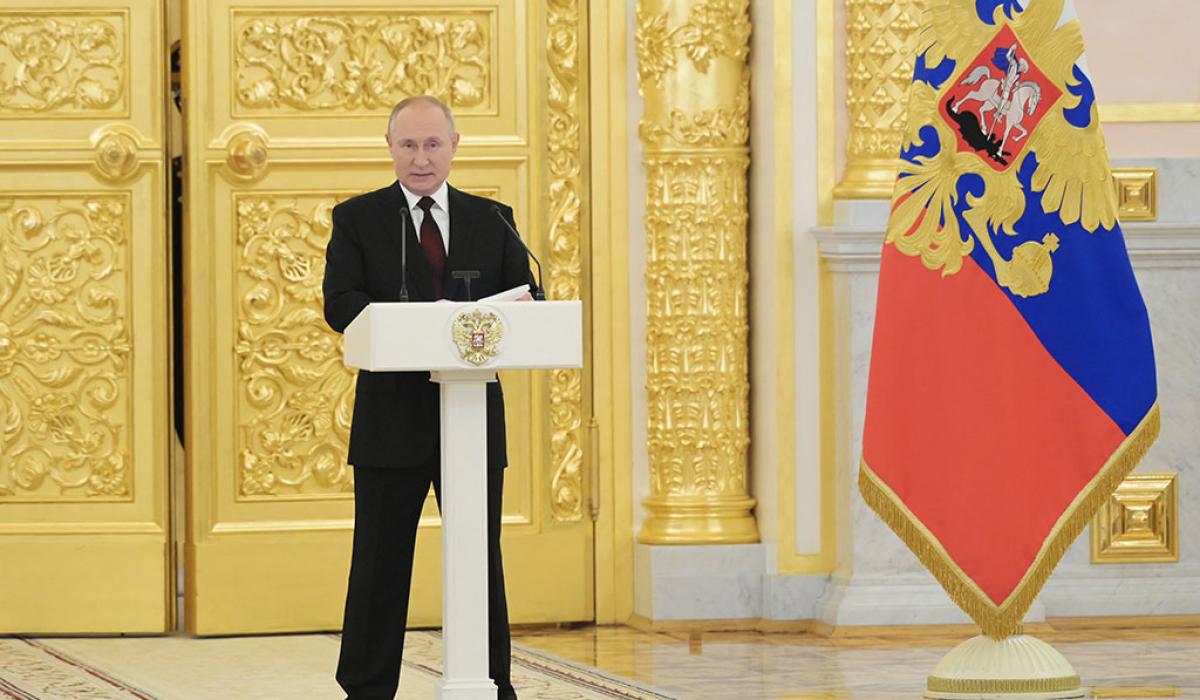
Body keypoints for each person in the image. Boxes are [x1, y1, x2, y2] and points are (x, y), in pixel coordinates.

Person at [322, 94, 532, 700]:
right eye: (408, 145)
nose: (421, 158)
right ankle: (366, 688)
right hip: (392, 420)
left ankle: (493, 682)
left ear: (454, 146)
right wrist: (412, 324)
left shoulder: (492, 219)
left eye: (432, 144)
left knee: (479, 560)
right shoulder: (357, 219)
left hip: (470, 418)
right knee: (380, 562)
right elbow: (341, 307)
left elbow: (526, 299)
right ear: (390, 149)